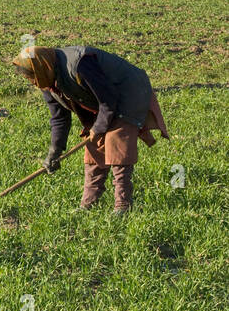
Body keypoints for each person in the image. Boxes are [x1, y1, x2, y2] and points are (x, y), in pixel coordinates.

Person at [12, 45, 168, 213]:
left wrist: (99, 127)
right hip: (101, 102)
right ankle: (88, 204)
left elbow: (108, 99)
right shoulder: (47, 80)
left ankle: (123, 205)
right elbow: (59, 118)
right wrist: (54, 152)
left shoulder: (80, 64)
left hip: (127, 92)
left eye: (32, 76)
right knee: (93, 150)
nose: (33, 82)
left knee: (117, 144)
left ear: (42, 67)